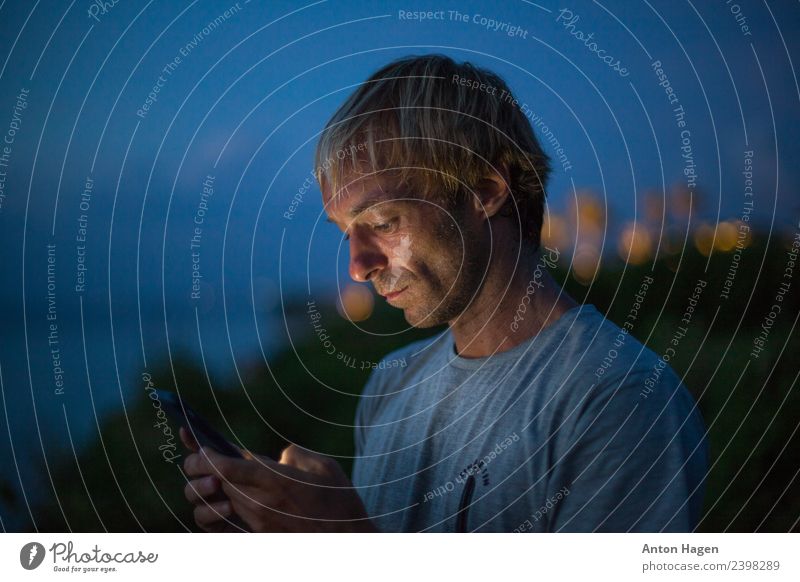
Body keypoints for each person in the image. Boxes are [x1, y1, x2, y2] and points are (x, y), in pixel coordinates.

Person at [181, 54, 708, 533]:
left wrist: (345, 542)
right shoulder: (390, 389)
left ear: (486, 189)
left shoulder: (616, 399)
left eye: (383, 222)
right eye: (348, 234)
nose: (359, 267)